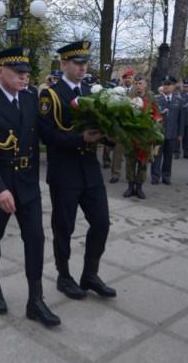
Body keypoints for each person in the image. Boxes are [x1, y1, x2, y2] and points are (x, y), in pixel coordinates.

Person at [0, 47, 60, 328]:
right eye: (18, 73)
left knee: (35, 239)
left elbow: (48, 132)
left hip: (27, 183)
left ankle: (36, 300)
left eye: (26, 73)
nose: (24, 77)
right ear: (1, 71)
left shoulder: (30, 98)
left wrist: (84, 136)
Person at [39, 41, 116, 301]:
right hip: (64, 172)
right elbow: (47, 136)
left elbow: (100, 127)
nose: (83, 68)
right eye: (77, 63)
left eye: (85, 63)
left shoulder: (91, 92)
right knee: (64, 228)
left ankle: (90, 274)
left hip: (90, 170)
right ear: (64, 65)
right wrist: (81, 138)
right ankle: (64, 275)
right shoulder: (50, 95)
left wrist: (111, 135)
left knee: (102, 223)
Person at [123, 76, 156, 199]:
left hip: (145, 136)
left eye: (140, 83)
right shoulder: (129, 97)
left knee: (142, 162)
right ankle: (130, 186)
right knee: (130, 162)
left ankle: (139, 187)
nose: (138, 85)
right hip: (131, 135)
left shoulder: (151, 98)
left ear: (145, 85)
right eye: (136, 83)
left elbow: (156, 114)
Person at [151, 76, 183, 185]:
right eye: (164, 84)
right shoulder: (156, 99)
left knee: (168, 157)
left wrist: (180, 133)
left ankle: (166, 176)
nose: (166, 86)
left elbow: (181, 119)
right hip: (158, 134)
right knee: (156, 155)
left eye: (168, 84)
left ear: (174, 86)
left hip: (172, 133)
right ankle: (155, 176)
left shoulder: (178, 100)